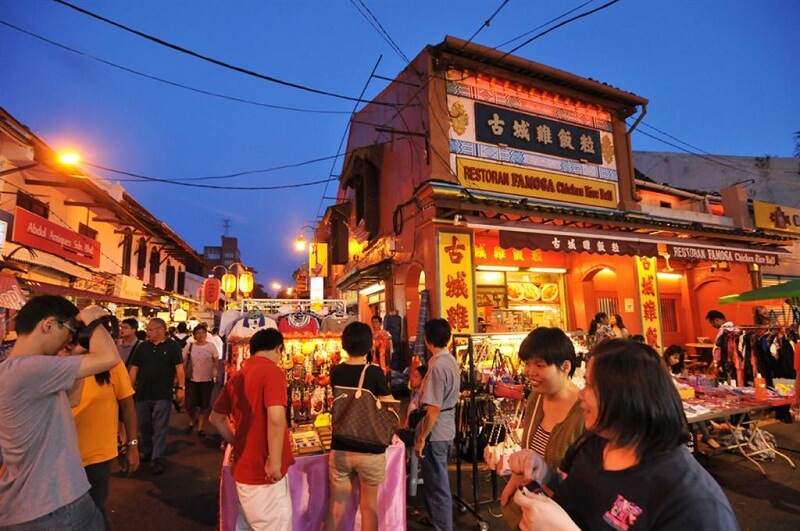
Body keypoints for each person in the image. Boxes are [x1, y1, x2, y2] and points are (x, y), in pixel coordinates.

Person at [507, 339, 739, 530]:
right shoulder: (591, 443)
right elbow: (570, 491)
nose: (580, 395)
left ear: (624, 396)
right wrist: (541, 470)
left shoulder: (693, 504)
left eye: (589, 385)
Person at [0, 296, 120, 529]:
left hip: (27, 507)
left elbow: (72, 399)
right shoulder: (29, 368)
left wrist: (77, 352)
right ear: (48, 325)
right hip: (56, 505)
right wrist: (92, 321)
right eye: (69, 331)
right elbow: (109, 358)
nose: (68, 339)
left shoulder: (11, 370)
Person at [210, 328, 294, 530]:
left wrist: (237, 442)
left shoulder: (238, 376)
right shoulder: (272, 371)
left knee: (247, 524)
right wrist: (273, 461)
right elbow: (275, 418)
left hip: (245, 468)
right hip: (263, 471)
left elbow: (216, 418)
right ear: (278, 348)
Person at [501, 328, 585, 527]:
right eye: (527, 363)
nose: (530, 371)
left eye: (539, 365)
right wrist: (515, 478)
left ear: (565, 367)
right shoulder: (536, 398)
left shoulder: (584, 412)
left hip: (559, 520)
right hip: (525, 512)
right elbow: (528, 450)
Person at [325, 321, 394, 531]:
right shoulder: (373, 373)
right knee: (368, 508)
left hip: (341, 446)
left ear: (344, 344)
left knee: (336, 508)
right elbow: (389, 402)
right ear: (368, 345)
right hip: (370, 448)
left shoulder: (335, 371)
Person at [68, 342, 140, 528]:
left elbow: (128, 406)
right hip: (61, 455)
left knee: (93, 510)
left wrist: (132, 445)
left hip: (97, 455)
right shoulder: (58, 362)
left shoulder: (111, 365)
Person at [414, 318, 460, 530]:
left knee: (438, 483)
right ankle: (435, 518)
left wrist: (421, 438)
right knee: (435, 480)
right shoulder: (449, 360)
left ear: (427, 340)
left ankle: (443, 525)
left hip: (437, 432)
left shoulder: (437, 367)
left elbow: (433, 410)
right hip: (447, 428)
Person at [129, 317, 185, 475]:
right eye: (147, 329)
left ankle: (157, 457)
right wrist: (129, 387)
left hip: (162, 393)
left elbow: (179, 369)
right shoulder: (142, 347)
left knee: (160, 426)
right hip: (143, 393)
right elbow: (134, 368)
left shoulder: (173, 346)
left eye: (150, 329)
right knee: (144, 424)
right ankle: (148, 449)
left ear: (161, 329)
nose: (147, 332)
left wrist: (181, 388)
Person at [183, 323, 218, 436]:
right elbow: (184, 362)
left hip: (207, 379)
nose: (200, 335)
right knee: (189, 405)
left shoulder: (211, 346)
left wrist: (216, 372)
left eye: (203, 332)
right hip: (191, 379)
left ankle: (200, 427)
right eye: (198, 333)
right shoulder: (189, 346)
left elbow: (215, 360)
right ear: (194, 335)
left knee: (204, 404)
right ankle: (192, 419)